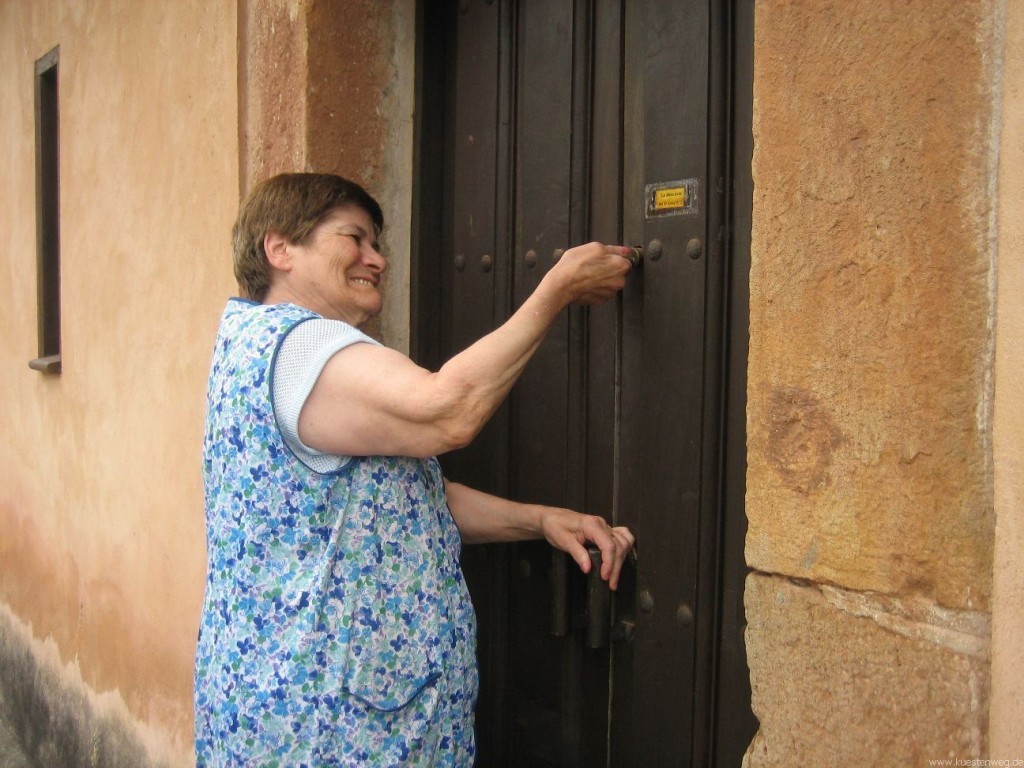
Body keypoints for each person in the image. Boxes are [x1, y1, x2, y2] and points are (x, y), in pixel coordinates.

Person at [194, 172, 636, 767]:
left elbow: (401, 498)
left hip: (285, 710)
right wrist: (555, 289)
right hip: (330, 732)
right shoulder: (299, 347)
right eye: (356, 238)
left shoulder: (252, 347)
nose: (376, 259)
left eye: (378, 245)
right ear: (279, 249)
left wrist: (540, 520)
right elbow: (448, 411)